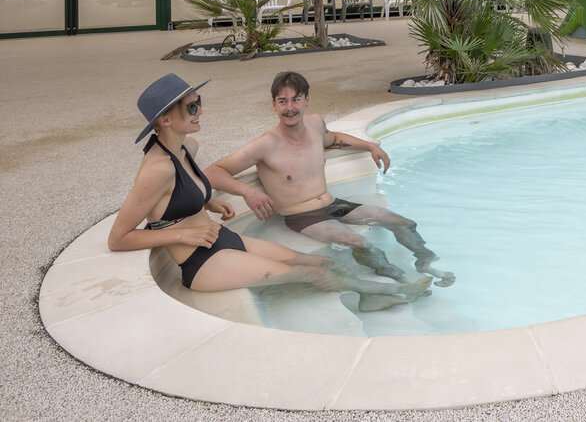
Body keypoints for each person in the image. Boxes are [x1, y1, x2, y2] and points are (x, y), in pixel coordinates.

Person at [108, 73, 432, 312]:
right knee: (309, 274)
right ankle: (379, 293)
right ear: (165, 119)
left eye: (198, 103)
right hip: (200, 260)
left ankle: (376, 287)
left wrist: (209, 201)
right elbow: (118, 238)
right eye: (191, 107)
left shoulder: (186, 146)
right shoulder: (157, 169)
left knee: (319, 261)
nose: (200, 111)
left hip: (221, 237)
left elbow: (179, 196)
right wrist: (183, 235)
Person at [206, 71, 455, 286]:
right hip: (302, 216)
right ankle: (398, 278)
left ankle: (425, 262)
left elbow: (333, 139)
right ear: (274, 105)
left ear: (306, 100)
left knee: (404, 223)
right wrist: (248, 191)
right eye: (282, 101)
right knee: (360, 242)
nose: (289, 108)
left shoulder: (315, 125)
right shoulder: (265, 145)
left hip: (333, 204)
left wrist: (370, 146)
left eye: (296, 99)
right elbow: (213, 171)